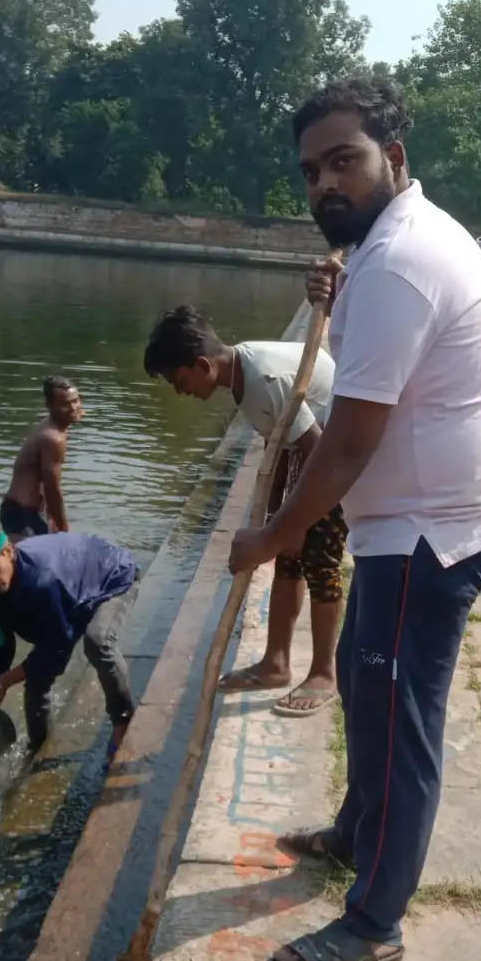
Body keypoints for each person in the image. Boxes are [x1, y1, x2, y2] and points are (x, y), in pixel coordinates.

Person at [227, 76, 481, 961]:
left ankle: (374, 923)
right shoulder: (389, 245)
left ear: (394, 157)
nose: (325, 185)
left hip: (428, 537)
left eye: (343, 161)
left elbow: (349, 442)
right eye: (311, 170)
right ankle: (358, 832)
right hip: (410, 526)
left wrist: (272, 536)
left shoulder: (398, 260)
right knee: (360, 679)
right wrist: (337, 286)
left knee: (399, 726)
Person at [144, 305, 346, 718]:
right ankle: (276, 663)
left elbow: (317, 450)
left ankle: (326, 673)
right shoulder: (240, 376)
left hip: (336, 456)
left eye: (179, 381)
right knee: (288, 559)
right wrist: (273, 521)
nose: (180, 392)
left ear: (202, 365)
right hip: (307, 452)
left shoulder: (262, 379)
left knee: (319, 562)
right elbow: (279, 446)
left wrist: (292, 523)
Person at [0, 521, 137, 756]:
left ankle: (123, 721)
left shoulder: (42, 580)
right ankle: (38, 750)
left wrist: (2, 683)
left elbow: (56, 647)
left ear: (8, 552)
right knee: (37, 683)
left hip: (111, 574)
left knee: (97, 642)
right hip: (70, 584)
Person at [0, 375, 83, 541]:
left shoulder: (56, 425)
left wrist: (51, 518)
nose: (73, 407)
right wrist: (63, 526)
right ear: (49, 406)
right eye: (65, 404)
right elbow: (52, 488)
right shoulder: (52, 438)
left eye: (76, 400)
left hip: (32, 512)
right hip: (22, 515)